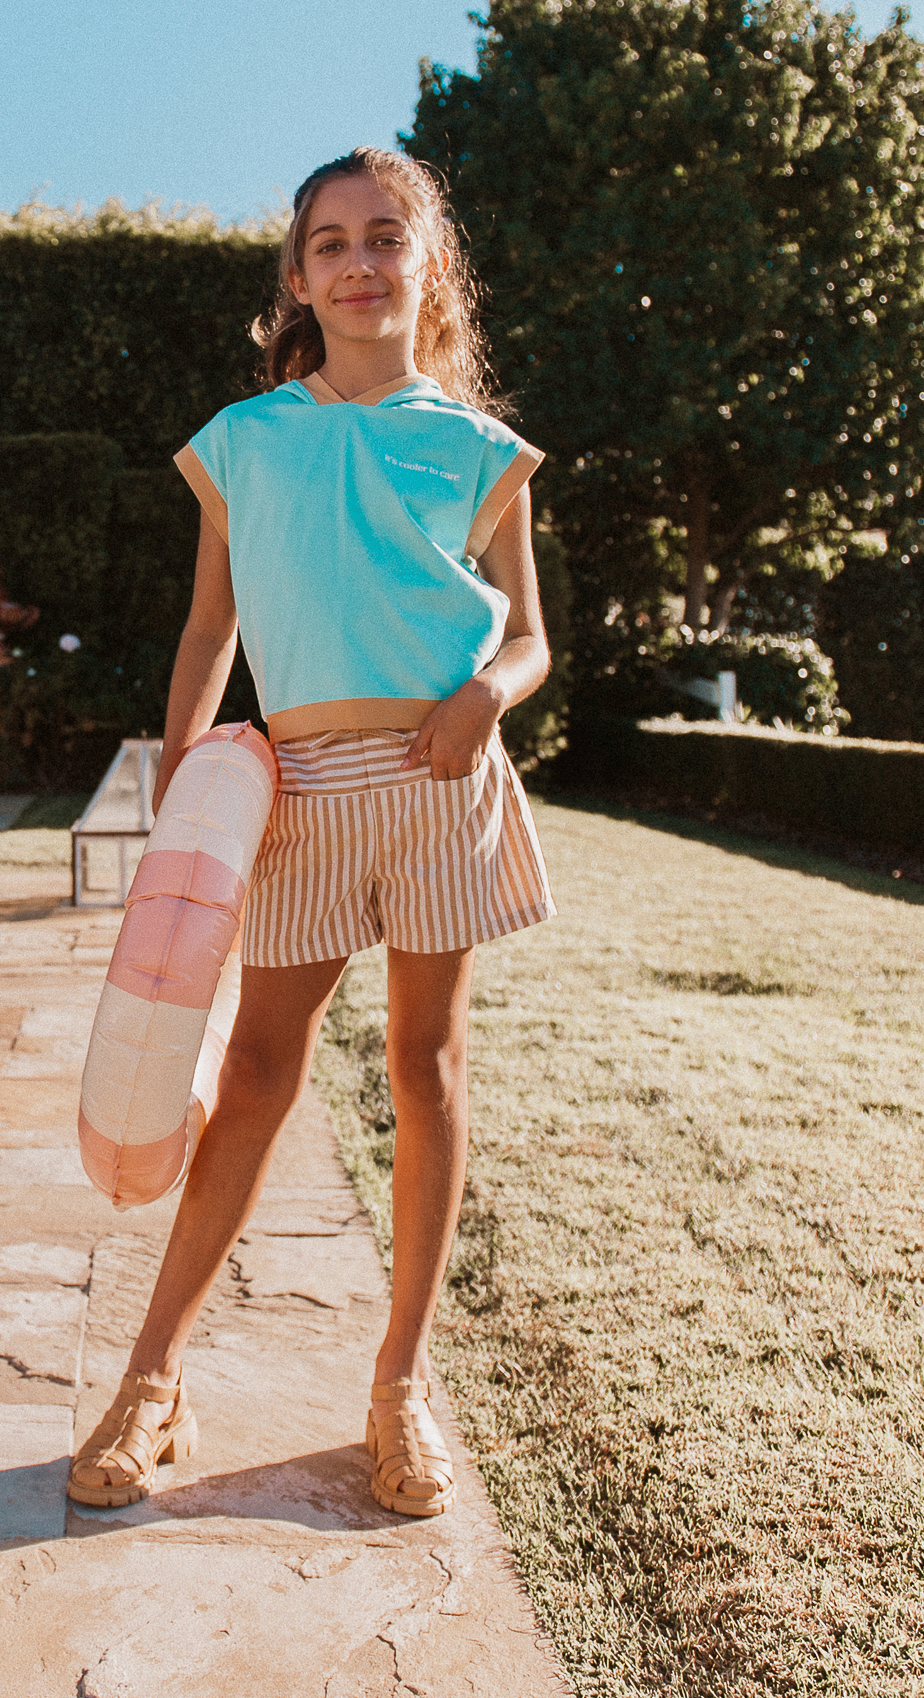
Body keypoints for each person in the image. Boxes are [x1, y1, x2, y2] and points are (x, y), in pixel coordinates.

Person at [67, 145, 556, 1519]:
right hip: (300, 791)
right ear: (298, 277)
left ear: (428, 266)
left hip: (442, 781)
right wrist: (183, 794)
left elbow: (529, 641)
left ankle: (400, 1386)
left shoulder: (482, 451)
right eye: (331, 243)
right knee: (257, 1070)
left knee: (427, 1066)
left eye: (386, 237)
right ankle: (152, 1380)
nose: (358, 262)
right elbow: (209, 630)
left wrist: (483, 697)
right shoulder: (244, 441)